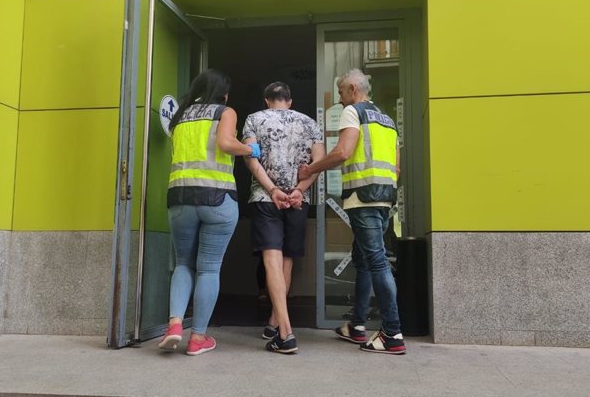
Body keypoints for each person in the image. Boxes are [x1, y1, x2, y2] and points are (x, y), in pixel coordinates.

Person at [298, 69, 406, 355]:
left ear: (353, 89)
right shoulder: (387, 119)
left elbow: (343, 152)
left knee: (377, 262)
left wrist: (310, 169)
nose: (339, 99)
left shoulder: (353, 112)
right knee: (363, 260)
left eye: (341, 92)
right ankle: (357, 325)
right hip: (384, 199)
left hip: (363, 198)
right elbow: (396, 167)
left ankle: (392, 333)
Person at [158, 69, 261, 356]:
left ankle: (175, 324)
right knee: (208, 268)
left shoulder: (180, 116)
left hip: (179, 198)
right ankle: (198, 338)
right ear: (222, 92)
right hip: (216, 198)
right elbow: (226, 144)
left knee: (183, 263)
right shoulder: (224, 111)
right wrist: (250, 149)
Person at [243, 82, 325, 354]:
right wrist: (299, 190)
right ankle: (275, 322)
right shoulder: (310, 123)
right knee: (286, 259)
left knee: (271, 259)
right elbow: (319, 162)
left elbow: (251, 160)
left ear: (268, 100)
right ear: (289, 101)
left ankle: (286, 333)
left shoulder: (254, 119)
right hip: (297, 200)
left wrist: (273, 189)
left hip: (266, 197)